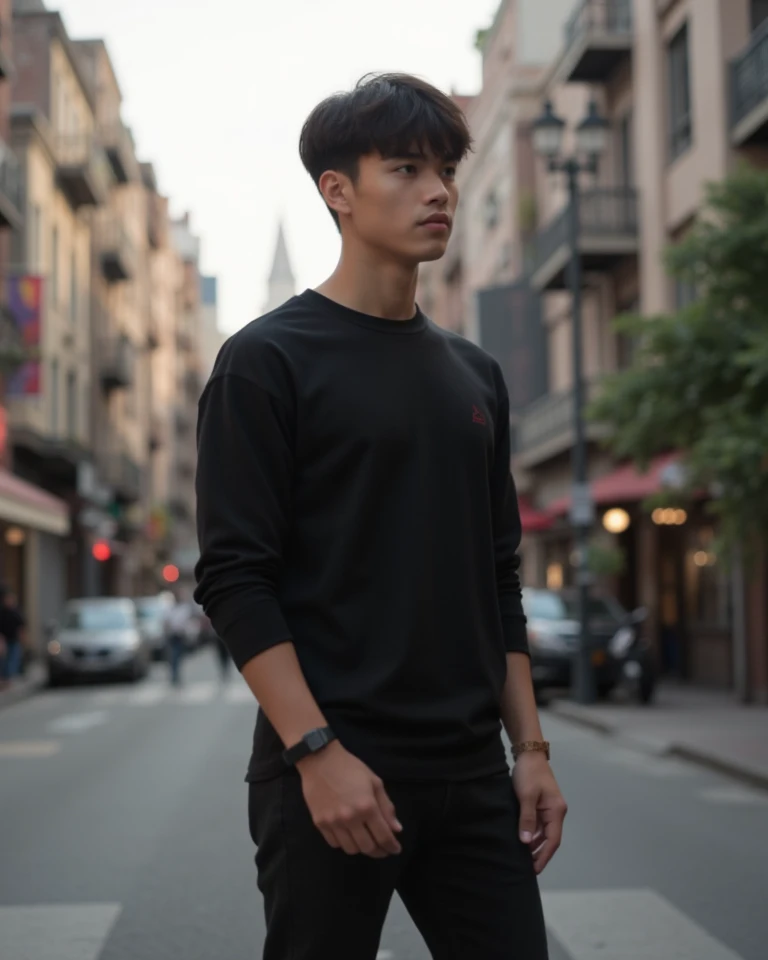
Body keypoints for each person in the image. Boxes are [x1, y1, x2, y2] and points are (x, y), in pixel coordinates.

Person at [194, 73, 567, 960]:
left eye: (446, 170)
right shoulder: (264, 361)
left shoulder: (475, 374)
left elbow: (499, 571)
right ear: (338, 191)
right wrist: (315, 753)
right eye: (405, 168)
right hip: (332, 767)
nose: (438, 191)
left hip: (474, 774)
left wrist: (534, 750)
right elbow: (234, 577)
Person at [164, 589, 193, 687]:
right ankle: (174, 675)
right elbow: (166, 621)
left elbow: (187, 621)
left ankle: (176, 675)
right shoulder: (170, 608)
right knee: (173, 656)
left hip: (180, 635)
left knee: (177, 656)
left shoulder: (184, 608)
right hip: (172, 635)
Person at [0, 586, 26, 687]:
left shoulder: (16, 613)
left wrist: (23, 640)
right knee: (4, 661)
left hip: (14, 640)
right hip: (4, 640)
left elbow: (21, 627)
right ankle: (4, 679)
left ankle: (8, 680)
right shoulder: (2, 612)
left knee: (13, 660)